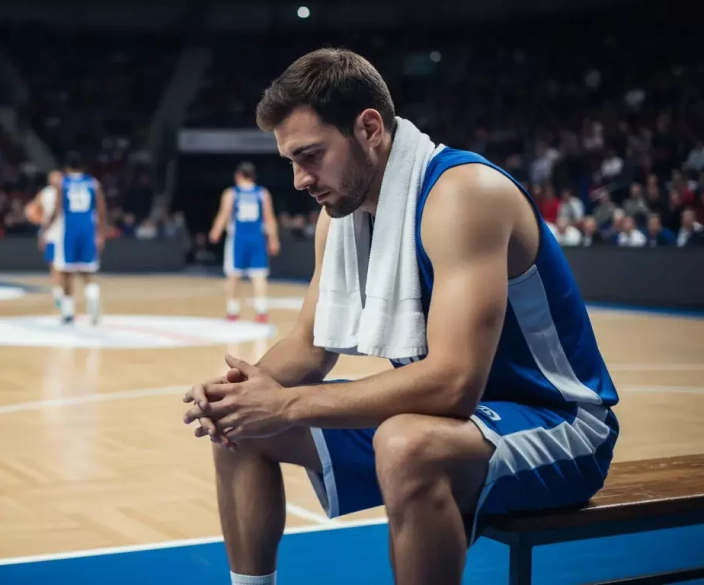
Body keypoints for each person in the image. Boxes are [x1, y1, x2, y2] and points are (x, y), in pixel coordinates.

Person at [181, 48, 618, 585]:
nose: (298, 179)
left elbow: (455, 384)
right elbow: (309, 346)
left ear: (369, 128)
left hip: (559, 423)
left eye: (311, 155)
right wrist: (242, 392)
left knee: (406, 443)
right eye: (290, 161)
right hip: (447, 424)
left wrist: (288, 402)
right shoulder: (340, 215)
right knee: (241, 424)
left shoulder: (463, 196)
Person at [209, 162, 280, 322]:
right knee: (259, 275)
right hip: (257, 238)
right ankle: (261, 311)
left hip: (238, 239)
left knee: (234, 275)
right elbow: (269, 218)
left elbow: (224, 213)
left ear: (238, 176)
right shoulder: (262, 193)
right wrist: (273, 239)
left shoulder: (232, 193)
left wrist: (216, 231)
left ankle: (232, 311)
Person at [43, 152, 106, 325]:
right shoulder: (93, 183)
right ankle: (93, 302)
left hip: (69, 231)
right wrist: (101, 233)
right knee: (88, 273)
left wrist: (45, 229)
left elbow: (58, 209)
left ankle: (68, 312)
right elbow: (101, 211)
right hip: (88, 231)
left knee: (66, 273)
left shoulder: (62, 184)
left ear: (66, 168)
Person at [27, 170, 65, 308]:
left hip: (66, 234)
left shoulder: (68, 192)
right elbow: (32, 209)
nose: (55, 180)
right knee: (54, 265)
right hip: (51, 234)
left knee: (66, 267)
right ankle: (57, 293)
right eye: (53, 178)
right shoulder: (45, 193)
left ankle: (65, 293)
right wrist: (35, 218)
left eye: (58, 177)